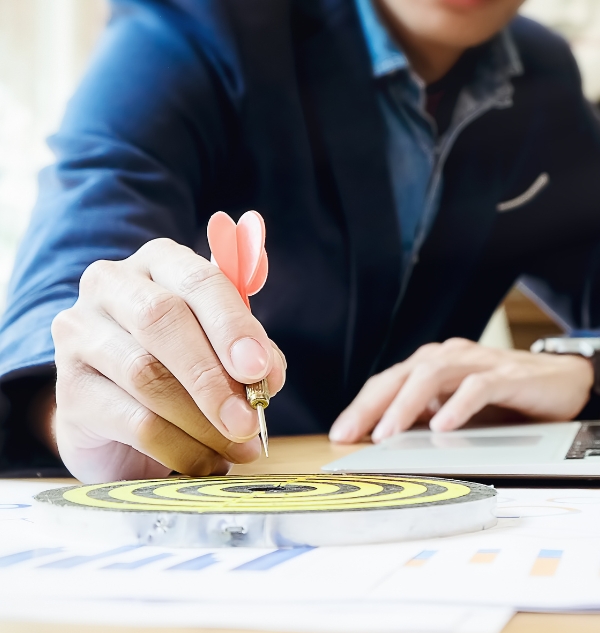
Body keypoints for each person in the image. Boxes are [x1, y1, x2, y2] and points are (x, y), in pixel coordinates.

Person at [1, 0, 600, 483]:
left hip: (411, 511)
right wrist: (72, 409)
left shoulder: (542, 74)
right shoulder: (199, 20)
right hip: (217, 498)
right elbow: (71, 277)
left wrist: (582, 368)